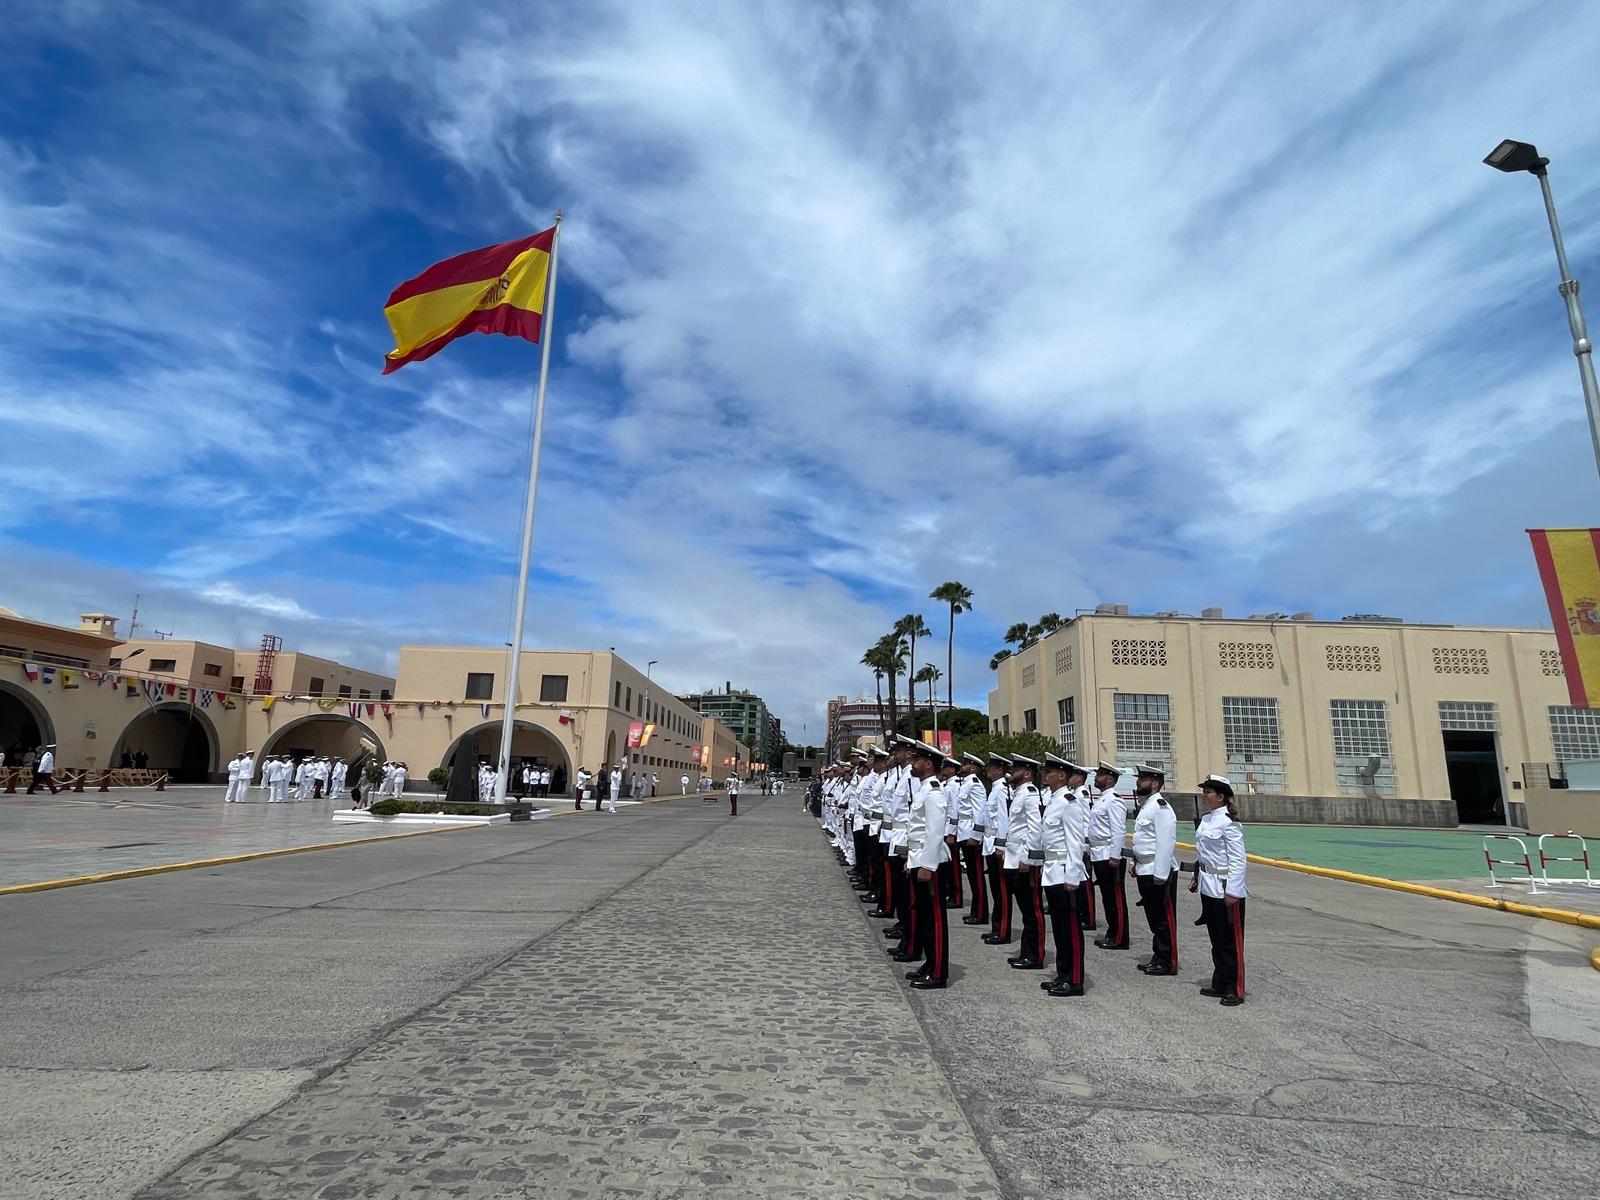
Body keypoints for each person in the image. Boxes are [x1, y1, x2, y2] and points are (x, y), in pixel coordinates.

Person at [1190, 774, 1249, 1006]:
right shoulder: (1207, 820)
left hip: (1225, 887)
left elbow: (1237, 859)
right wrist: (1197, 875)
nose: (1205, 795)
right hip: (1208, 885)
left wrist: (1233, 891)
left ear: (1221, 796)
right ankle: (1220, 980)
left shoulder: (1229, 822)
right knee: (1216, 938)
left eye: (1209, 792)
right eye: (1204, 791)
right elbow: (1203, 853)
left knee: (1230, 942)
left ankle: (1235, 987)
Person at [1037, 755, 1090, 998]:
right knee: (1059, 929)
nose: (1045, 775)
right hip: (1052, 871)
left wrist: (1073, 876)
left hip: (1064, 872)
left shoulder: (1069, 802)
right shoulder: (1054, 800)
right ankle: (1063, 974)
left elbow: (1075, 841)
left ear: (1062, 775)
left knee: (1070, 930)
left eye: (1050, 771)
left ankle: (1075, 979)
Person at [903, 742, 952, 990]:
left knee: (934, 919)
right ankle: (929, 963)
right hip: (919, 860)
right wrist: (912, 861)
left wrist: (927, 865)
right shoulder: (924, 789)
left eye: (917, 760)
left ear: (929, 764)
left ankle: (938, 972)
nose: (913, 764)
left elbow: (934, 832)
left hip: (931, 863)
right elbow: (917, 831)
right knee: (924, 916)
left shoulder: (934, 791)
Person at [1130, 763, 1180, 976]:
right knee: (1153, 917)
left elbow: (1165, 842)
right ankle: (1158, 955)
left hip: (1157, 871)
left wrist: (1161, 873)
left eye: (1143, 779)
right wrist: (1135, 862)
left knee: (1162, 918)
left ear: (1155, 783)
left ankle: (1167, 960)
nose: (1138, 782)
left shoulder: (1161, 807)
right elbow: (1143, 840)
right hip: (1145, 868)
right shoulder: (1147, 805)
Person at [1002, 754, 1046, 969]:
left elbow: (1035, 828)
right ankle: (1026, 952)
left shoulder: (1029, 794)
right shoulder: (1019, 793)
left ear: (1027, 773)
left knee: (1032, 911)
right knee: (1025, 910)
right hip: (1014, 857)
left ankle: (1035, 955)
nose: (1012, 773)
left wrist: (1027, 857)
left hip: (1024, 860)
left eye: (1016, 769)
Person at [1090, 762, 1131, 950]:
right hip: (1099, 853)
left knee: (1115, 898)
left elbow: (1118, 830)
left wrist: (1115, 856)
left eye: (1100, 775)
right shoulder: (1102, 799)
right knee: (1107, 897)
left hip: (1109, 856)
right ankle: (1112, 932)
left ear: (1109, 779)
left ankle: (1119, 936)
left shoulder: (1114, 800)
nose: (1096, 778)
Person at [980, 753, 1013, 945]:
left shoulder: (1002, 790)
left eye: (991, 767)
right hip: (990, 841)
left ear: (1000, 770)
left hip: (997, 844)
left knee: (1001, 891)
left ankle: (1003, 930)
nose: (987, 770)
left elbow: (1003, 819)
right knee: (995, 889)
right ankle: (996, 926)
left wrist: (1001, 846)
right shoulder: (994, 789)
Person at [955, 754, 989, 926]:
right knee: (971, 874)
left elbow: (980, 812)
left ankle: (981, 913)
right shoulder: (966, 783)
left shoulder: (975, 785)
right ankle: (975, 910)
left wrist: (976, 836)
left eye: (966, 763)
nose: (962, 765)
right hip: (964, 831)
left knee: (976, 876)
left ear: (974, 768)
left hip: (970, 834)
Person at [936, 754, 964, 909]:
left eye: (947, 767)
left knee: (954, 866)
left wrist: (952, 832)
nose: (944, 770)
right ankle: (951, 893)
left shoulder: (954, 785)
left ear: (953, 770)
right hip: (945, 828)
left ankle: (956, 896)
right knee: (949, 865)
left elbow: (954, 810)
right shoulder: (947, 784)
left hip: (950, 829)